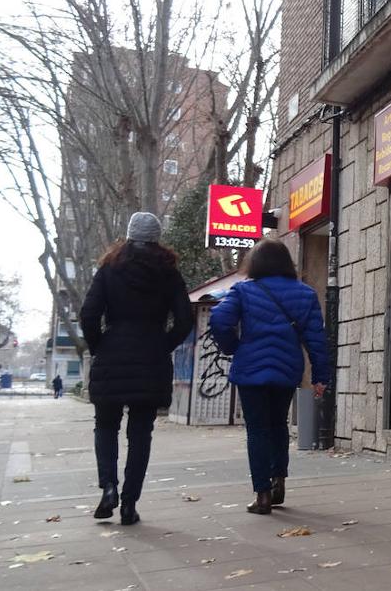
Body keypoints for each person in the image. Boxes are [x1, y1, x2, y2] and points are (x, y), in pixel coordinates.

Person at [80, 212, 193, 526]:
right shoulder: (168, 273)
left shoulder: (109, 269)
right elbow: (185, 320)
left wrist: (99, 345)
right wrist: (163, 344)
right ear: (157, 238)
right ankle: (129, 504)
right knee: (141, 433)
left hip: (112, 355)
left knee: (105, 427)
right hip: (151, 357)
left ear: (129, 236)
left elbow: (89, 314)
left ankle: (108, 487)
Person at [209, 239, 330, 515]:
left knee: (257, 430)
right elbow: (316, 339)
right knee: (278, 425)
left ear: (256, 263)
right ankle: (279, 483)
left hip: (251, 369)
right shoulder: (305, 294)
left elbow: (219, 320)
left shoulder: (243, 290)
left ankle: (262, 494)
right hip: (287, 369)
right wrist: (320, 376)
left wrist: (232, 346)